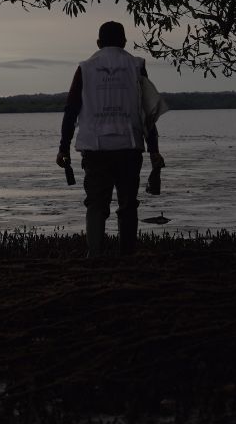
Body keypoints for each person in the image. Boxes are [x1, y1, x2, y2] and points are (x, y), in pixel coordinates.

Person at [56, 21, 164, 257]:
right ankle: (127, 254)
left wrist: (63, 147)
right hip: (129, 146)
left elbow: (71, 110)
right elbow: (148, 111)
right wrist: (154, 149)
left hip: (95, 150)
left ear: (98, 43)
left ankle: (94, 254)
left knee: (96, 204)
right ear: (124, 42)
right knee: (128, 204)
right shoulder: (136, 66)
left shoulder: (85, 68)